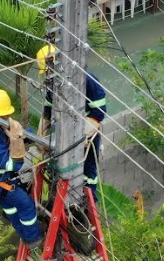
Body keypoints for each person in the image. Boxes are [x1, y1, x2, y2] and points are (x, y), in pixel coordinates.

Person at [0, 89, 44, 251]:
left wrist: (25, 136)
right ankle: (33, 239)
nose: (7, 118)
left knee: (10, 207)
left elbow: (2, 138)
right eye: (4, 116)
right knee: (26, 206)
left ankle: (20, 229)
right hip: (0, 184)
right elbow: (14, 165)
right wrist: (16, 140)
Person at [36, 44, 108, 202]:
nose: (48, 75)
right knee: (59, 167)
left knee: (88, 171)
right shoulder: (53, 84)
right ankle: (62, 199)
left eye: (50, 70)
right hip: (63, 130)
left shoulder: (86, 80)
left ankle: (88, 202)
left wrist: (81, 136)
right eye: (47, 72)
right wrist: (41, 134)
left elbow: (98, 113)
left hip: (88, 131)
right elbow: (48, 111)